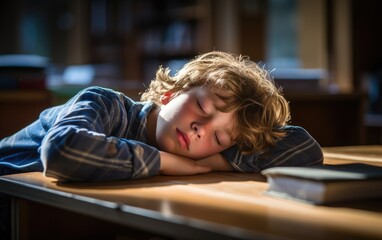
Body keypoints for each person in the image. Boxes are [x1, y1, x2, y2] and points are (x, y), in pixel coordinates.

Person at [0, 51, 323, 182]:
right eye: (203, 108)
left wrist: (208, 163)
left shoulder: (204, 154)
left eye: (219, 138)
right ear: (172, 92)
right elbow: (62, 152)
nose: (200, 130)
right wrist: (169, 163)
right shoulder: (105, 103)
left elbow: (305, 151)